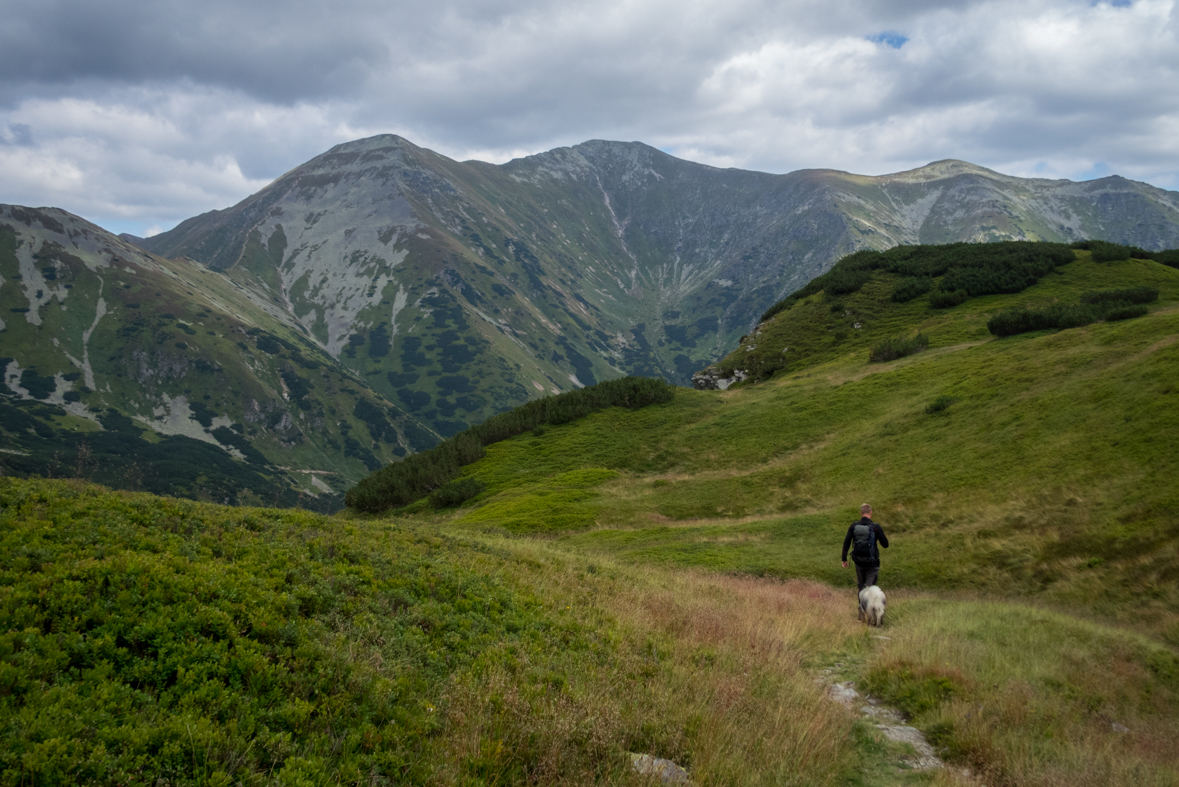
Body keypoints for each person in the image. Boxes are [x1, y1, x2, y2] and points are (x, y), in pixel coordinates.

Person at [841, 503, 889, 593]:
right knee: (870, 588)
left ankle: (861, 606)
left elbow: (846, 542)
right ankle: (868, 606)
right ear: (871, 513)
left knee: (861, 586)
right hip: (872, 563)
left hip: (859, 561)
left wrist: (844, 558)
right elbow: (886, 544)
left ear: (861, 513)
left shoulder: (854, 526)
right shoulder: (875, 527)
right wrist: (880, 542)